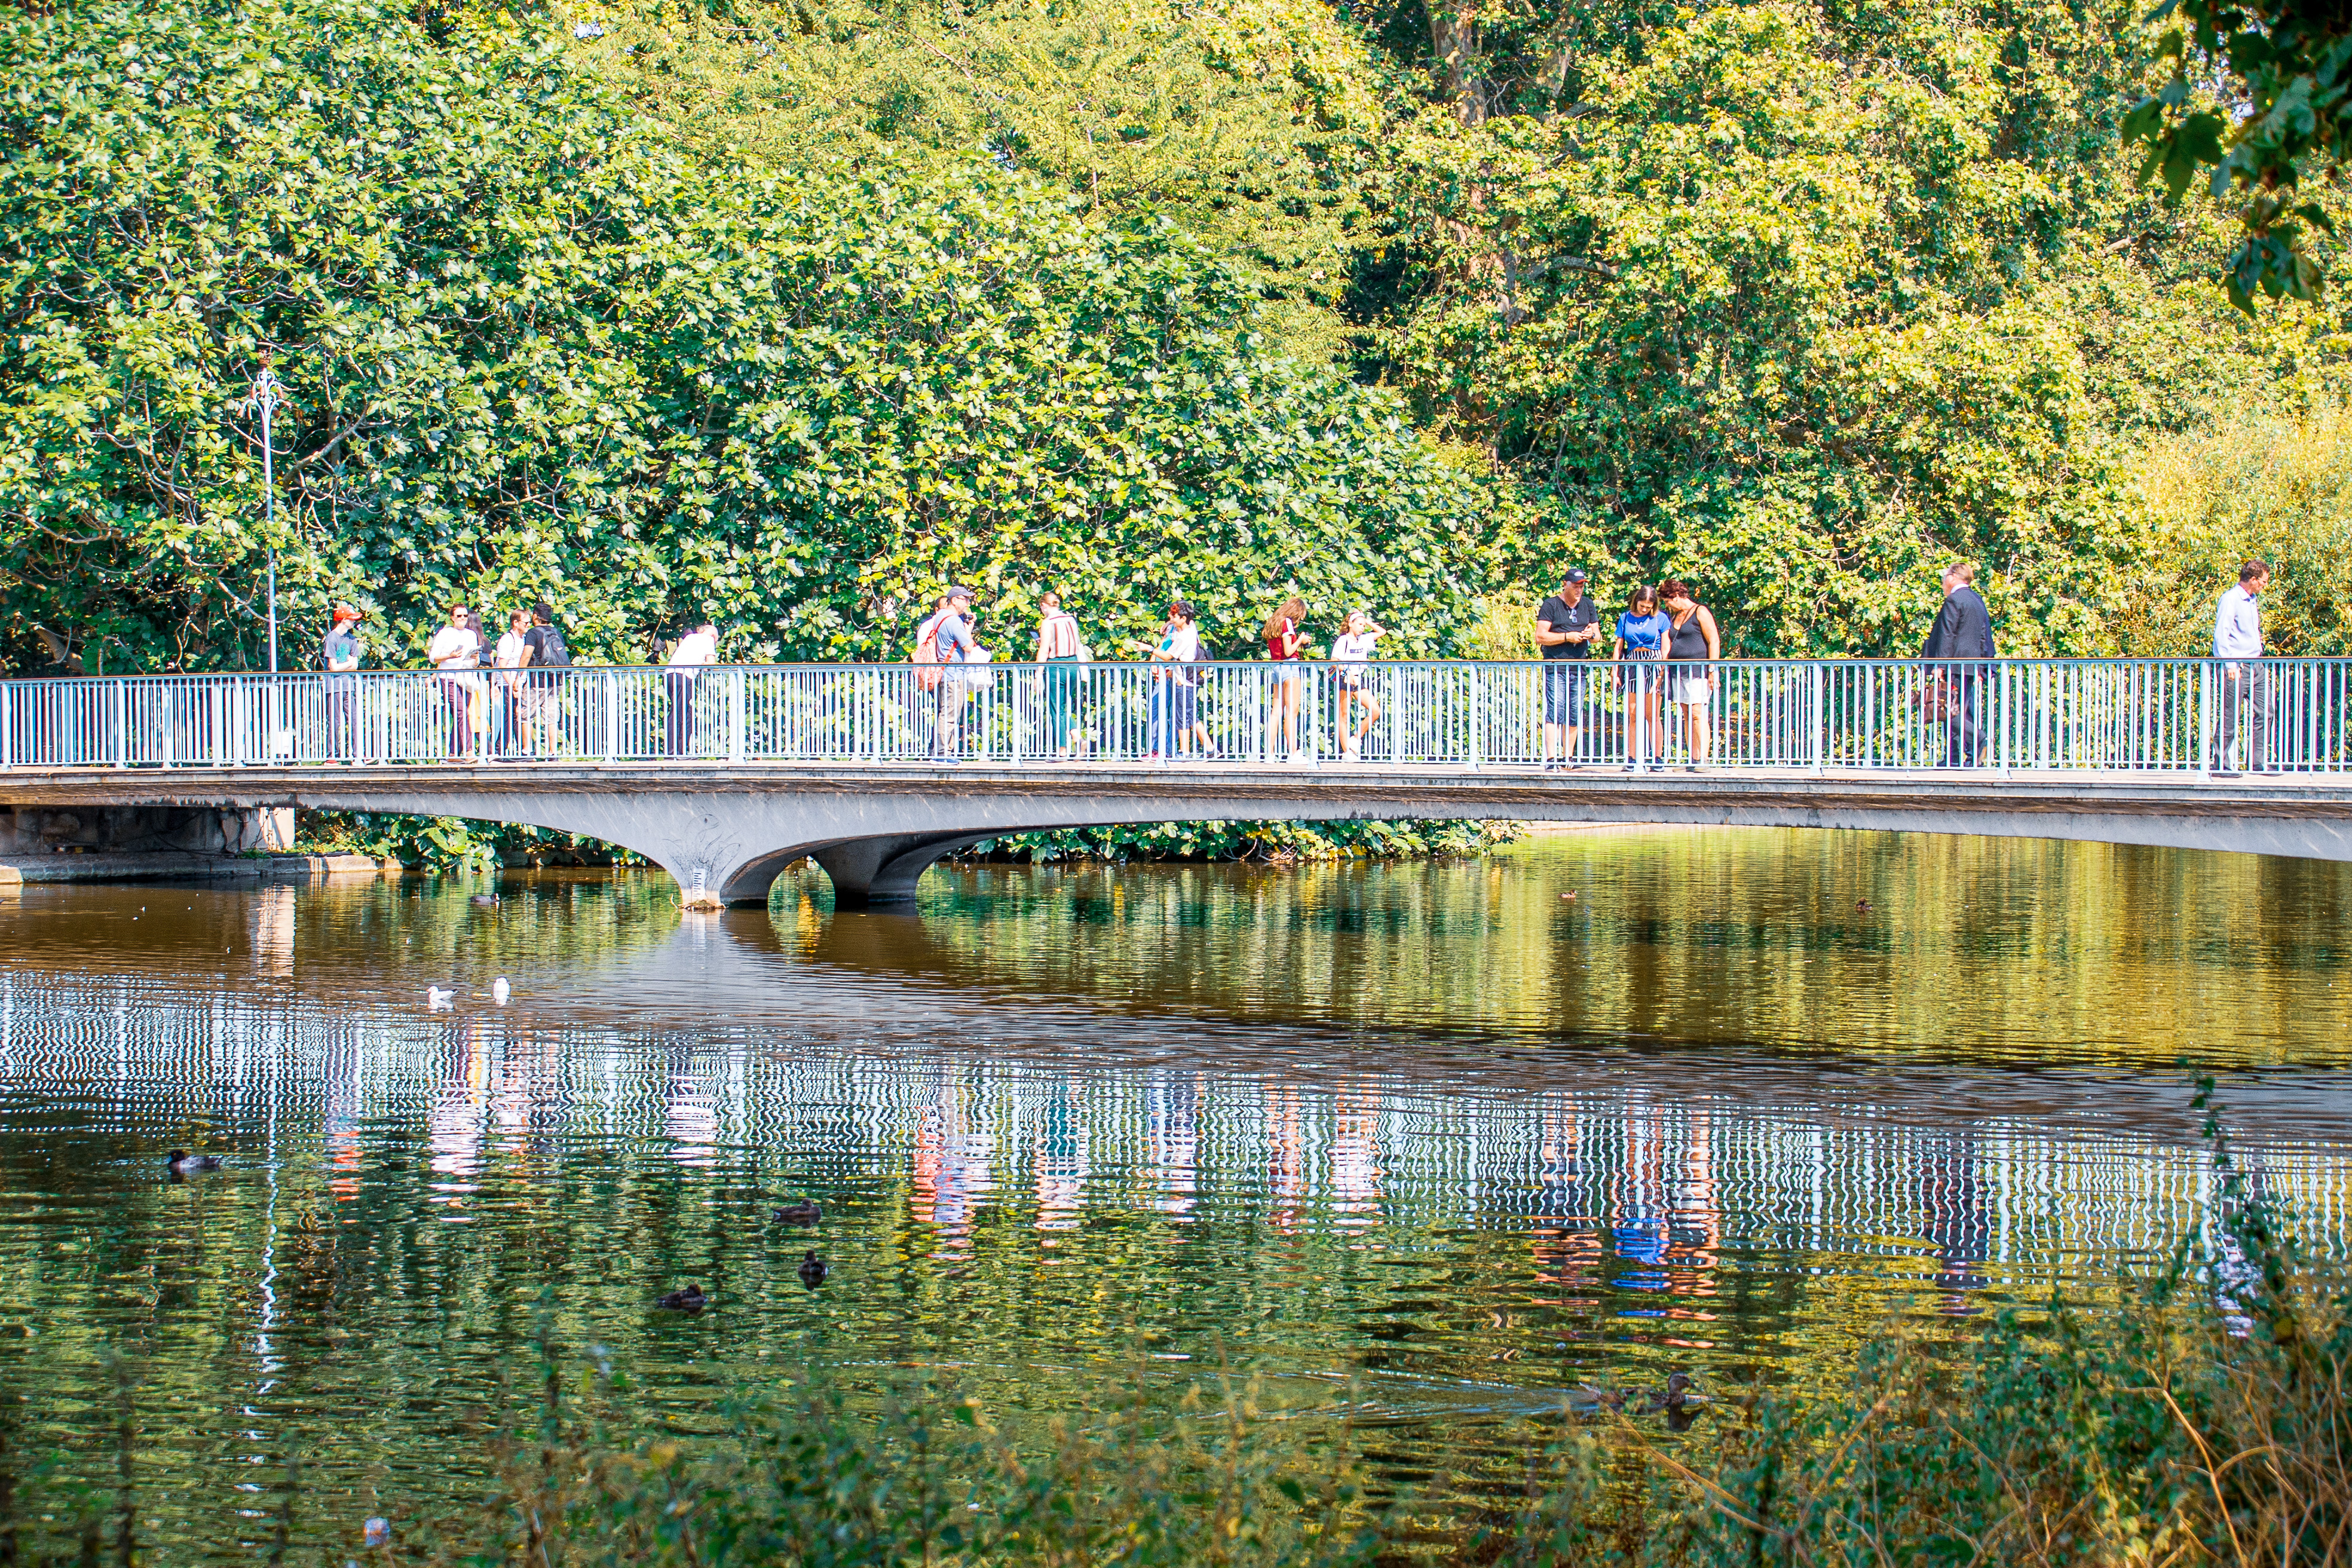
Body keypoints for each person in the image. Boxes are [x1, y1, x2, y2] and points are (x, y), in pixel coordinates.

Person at [1920, 562, 1996, 767]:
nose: (1944, 581)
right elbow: (1983, 636)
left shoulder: (1954, 600)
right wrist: (1980, 667)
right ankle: (1958, 758)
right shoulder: (1977, 600)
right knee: (1959, 711)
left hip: (1953, 665)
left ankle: (1979, 738)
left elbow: (1947, 635)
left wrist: (1940, 666)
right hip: (1970, 666)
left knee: (1945, 710)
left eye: (1945, 576)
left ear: (1954, 576)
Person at [1534, 569, 1601, 768]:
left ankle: (1568, 758)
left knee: (1574, 712)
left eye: (1582, 586)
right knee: (1556, 710)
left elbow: (1597, 637)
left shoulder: (1587, 604)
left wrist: (1590, 634)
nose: (1579, 590)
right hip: (1556, 666)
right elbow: (1540, 636)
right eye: (1576, 586)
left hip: (1579, 666)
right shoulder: (1551, 604)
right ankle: (1551, 759)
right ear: (1566, 584)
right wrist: (1567, 637)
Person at [2212, 559, 2271, 774]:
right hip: (2237, 666)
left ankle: (2257, 762)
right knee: (2230, 715)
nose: (2265, 585)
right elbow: (2221, 634)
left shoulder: (2251, 599)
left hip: (2257, 664)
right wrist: (2229, 664)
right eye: (2263, 582)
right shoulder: (2231, 599)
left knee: (2266, 712)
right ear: (2253, 579)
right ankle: (2221, 763)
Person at [1659, 580, 1722, 770]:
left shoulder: (1700, 611)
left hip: (1698, 671)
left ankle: (1703, 758)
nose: (1667, 606)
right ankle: (1693, 759)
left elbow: (1714, 640)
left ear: (1676, 596)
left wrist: (1713, 669)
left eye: (1668, 601)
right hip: (1679, 672)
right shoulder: (1677, 615)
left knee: (1698, 713)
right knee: (1687, 715)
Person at [1612, 586, 1669, 770]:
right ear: (1636, 601)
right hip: (1633, 661)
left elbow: (1666, 647)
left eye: (1649, 606)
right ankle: (1632, 757)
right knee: (1634, 713)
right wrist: (1615, 671)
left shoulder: (1660, 618)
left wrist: (1662, 671)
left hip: (1654, 661)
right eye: (1642, 606)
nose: (1645, 609)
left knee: (1652, 714)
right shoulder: (1625, 617)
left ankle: (1657, 757)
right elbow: (1619, 647)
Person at [927, 587, 984, 761]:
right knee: (951, 714)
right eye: (964, 599)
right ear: (954, 601)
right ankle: (942, 753)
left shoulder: (940, 618)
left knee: (947, 712)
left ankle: (945, 752)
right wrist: (969, 629)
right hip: (954, 674)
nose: (967, 603)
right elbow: (967, 646)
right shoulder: (953, 621)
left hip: (944, 672)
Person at [425, 603, 480, 762]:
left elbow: (473, 661)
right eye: (459, 616)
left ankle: (453, 753)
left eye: (465, 616)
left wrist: (476, 660)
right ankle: (469, 751)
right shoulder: (445, 634)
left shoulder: (471, 634)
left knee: (462, 713)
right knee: (461, 711)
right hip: (448, 677)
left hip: (466, 677)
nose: (463, 619)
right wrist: (450, 656)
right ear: (452, 618)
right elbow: (433, 657)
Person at [1330, 608, 1386, 761]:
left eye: (1364, 625)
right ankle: (1346, 751)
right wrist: (1347, 673)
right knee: (1344, 716)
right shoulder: (1343, 640)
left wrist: (1366, 620)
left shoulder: (1364, 639)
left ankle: (1356, 738)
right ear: (1350, 624)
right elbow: (1335, 661)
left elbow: (1382, 632)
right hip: (1345, 677)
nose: (1363, 627)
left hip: (1357, 678)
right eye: (1360, 624)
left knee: (1375, 710)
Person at [1033, 592, 1083, 759]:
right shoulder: (1070, 619)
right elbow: (1075, 642)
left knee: (1056, 708)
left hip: (1057, 666)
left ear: (1044, 606)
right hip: (1074, 664)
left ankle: (1062, 750)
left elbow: (1044, 649)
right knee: (1063, 707)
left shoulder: (1047, 622)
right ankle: (1076, 735)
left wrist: (1038, 674)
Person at [1263, 596, 1312, 764]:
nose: (1299, 620)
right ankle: (1293, 753)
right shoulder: (1287, 623)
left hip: (1276, 667)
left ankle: (1269, 753)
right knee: (1292, 711)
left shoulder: (1274, 622)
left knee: (1276, 711)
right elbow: (1289, 650)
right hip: (1289, 667)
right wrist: (1301, 640)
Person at [520, 601, 570, 756]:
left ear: (535, 616)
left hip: (537, 681)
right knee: (551, 718)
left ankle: (527, 752)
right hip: (555, 681)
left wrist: (518, 675)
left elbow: (527, 654)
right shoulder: (556, 632)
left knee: (526, 715)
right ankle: (553, 752)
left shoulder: (533, 633)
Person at [666, 621, 718, 757]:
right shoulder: (708, 639)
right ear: (712, 634)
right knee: (681, 713)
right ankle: (674, 752)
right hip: (684, 676)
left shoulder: (689, 638)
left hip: (670, 675)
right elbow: (710, 665)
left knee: (684, 712)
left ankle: (679, 750)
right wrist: (702, 664)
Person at [321, 604, 364, 763]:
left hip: (348, 685)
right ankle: (332, 755)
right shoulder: (332, 638)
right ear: (344, 620)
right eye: (351, 620)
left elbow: (356, 665)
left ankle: (358, 754)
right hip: (334, 687)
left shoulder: (352, 639)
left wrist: (346, 664)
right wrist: (348, 663)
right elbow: (333, 667)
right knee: (335, 721)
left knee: (354, 719)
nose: (354, 623)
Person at [493, 609, 532, 759]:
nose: (528, 625)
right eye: (526, 622)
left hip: (519, 683)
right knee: (513, 715)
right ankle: (500, 750)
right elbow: (502, 665)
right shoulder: (507, 640)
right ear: (515, 623)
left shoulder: (524, 639)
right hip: (508, 683)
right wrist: (512, 686)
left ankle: (516, 750)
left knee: (516, 715)